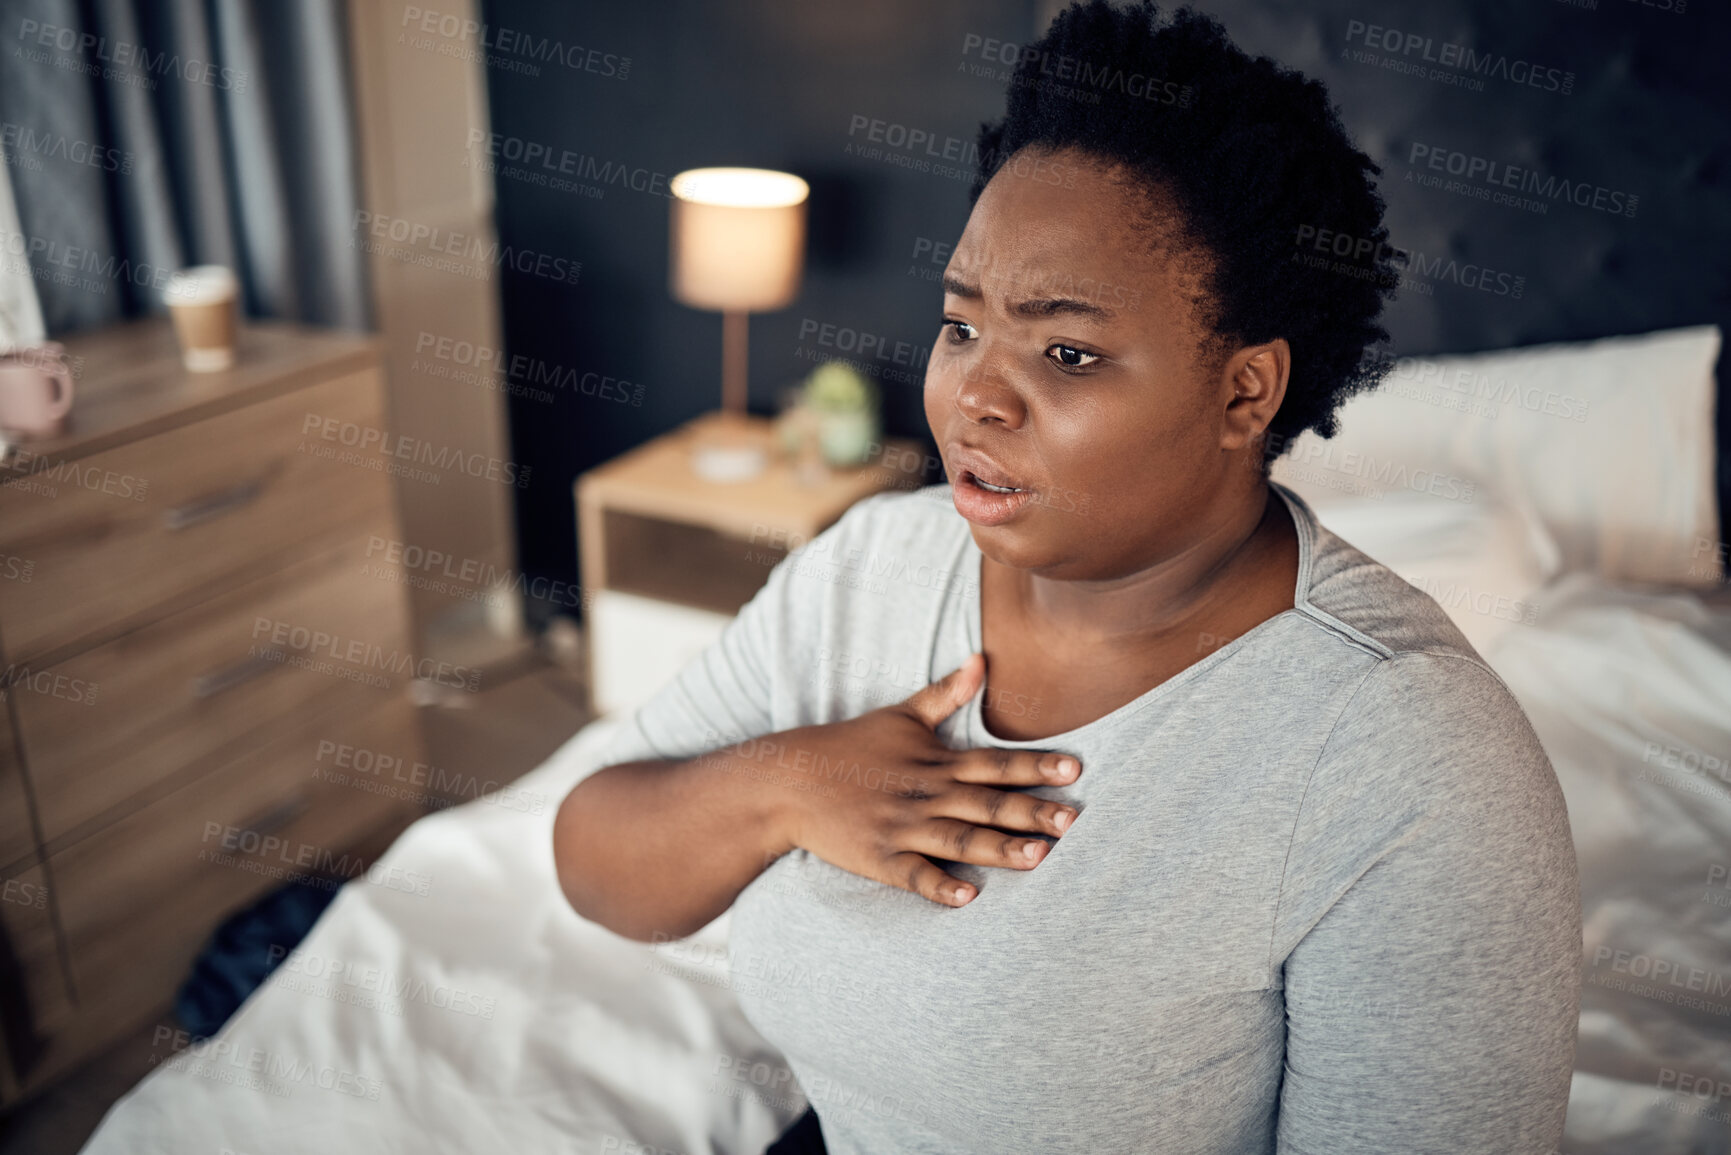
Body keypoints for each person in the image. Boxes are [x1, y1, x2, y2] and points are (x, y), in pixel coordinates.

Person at [553, 2, 1582, 1151]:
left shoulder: (1411, 761)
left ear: (1247, 393)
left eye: (1068, 352)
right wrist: (781, 788)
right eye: (960, 327)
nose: (974, 398)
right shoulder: (873, 562)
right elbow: (597, 859)